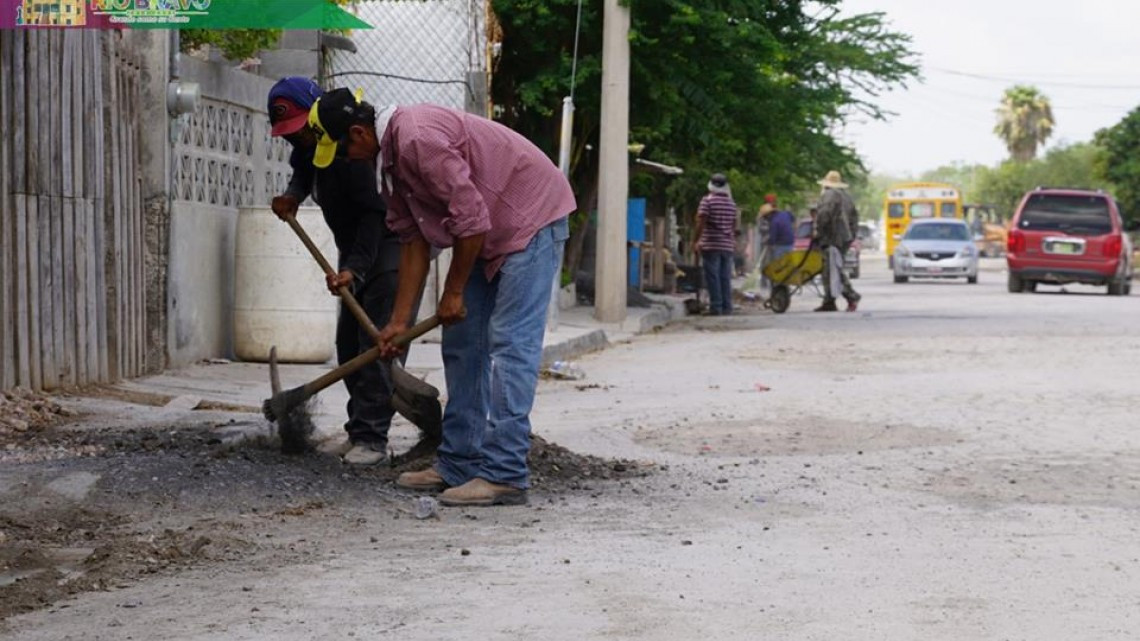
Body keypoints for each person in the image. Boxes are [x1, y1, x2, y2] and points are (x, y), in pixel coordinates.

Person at [308, 88, 575, 507]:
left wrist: (452, 292)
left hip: (530, 219)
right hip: (489, 232)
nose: (346, 160)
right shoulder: (389, 164)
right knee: (463, 342)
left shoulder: (417, 139)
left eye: (342, 150)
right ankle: (459, 462)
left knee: (508, 345)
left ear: (359, 133)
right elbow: (412, 239)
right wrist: (398, 322)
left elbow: (470, 221)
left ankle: (506, 473)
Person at [267, 77, 414, 466]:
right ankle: (358, 430)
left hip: (388, 251)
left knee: (374, 349)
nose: (295, 139)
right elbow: (303, 171)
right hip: (353, 253)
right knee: (348, 347)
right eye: (288, 134)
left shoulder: (352, 155)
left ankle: (373, 439)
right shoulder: (309, 148)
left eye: (299, 129)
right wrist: (292, 196)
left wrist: (354, 269)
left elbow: (374, 215)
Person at [812, 170, 861, 312]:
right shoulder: (847, 197)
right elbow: (854, 219)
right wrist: (850, 236)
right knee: (831, 269)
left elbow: (824, 215)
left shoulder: (829, 195)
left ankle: (851, 295)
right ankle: (829, 301)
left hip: (831, 238)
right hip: (843, 238)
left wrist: (818, 232)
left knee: (832, 269)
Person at [690, 173, 737, 315]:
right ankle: (727, 307)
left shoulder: (707, 201)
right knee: (725, 276)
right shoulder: (732, 203)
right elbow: (734, 225)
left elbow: (700, 221)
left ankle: (716, 307)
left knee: (713, 276)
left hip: (711, 244)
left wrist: (696, 240)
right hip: (727, 245)